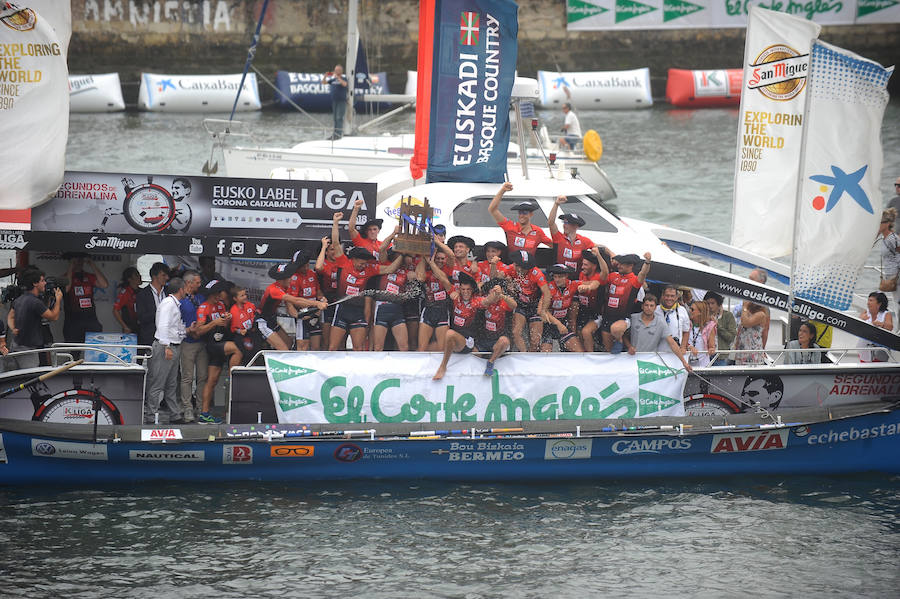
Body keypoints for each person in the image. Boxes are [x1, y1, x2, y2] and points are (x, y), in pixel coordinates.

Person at [328, 211, 402, 351]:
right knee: (333, 347)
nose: (363, 265)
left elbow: (390, 268)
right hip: (343, 307)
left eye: (375, 229)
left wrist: (402, 255)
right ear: (353, 259)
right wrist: (336, 223)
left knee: (359, 347)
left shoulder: (369, 268)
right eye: (361, 263)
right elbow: (336, 243)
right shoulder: (344, 262)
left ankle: (371, 350)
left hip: (361, 305)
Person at [433, 274, 512, 380]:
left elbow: (489, 300)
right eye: (463, 289)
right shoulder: (455, 297)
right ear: (459, 289)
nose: (465, 292)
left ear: (472, 290)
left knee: (449, 334)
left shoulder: (475, 301)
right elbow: (444, 280)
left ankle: (443, 367)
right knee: (436, 344)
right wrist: (431, 264)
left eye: (468, 290)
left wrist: (497, 292)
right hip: (457, 338)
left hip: (468, 340)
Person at [145, 277, 194, 424]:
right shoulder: (169, 304)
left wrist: (187, 330)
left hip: (173, 346)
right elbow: (163, 325)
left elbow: (172, 328)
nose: (186, 291)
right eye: (185, 288)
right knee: (158, 383)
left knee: (171, 384)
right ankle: (151, 416)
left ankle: (174, 414)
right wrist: (166, 346)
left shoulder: (173, 304)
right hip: (165, 347)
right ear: (181, 289)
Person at [194, 280, 241, 424]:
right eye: (216, 293)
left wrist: (226, 319)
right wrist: (214, 322)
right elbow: (199, 331)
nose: (218, 296)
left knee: (212, 381)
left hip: (221, 342)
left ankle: (204, 414)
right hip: (212, 345)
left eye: (219, 293)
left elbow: (224, 324)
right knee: (237, 348)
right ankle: (232, 378)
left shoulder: (221, 305)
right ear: (210, 294)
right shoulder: (203, 308)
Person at [261, 263, 328, 351]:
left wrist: (304, 314)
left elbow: (293, 310)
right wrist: (317, 304)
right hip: (262, 321)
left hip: (271, 320)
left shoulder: (284, 287)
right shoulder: (274, 289)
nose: (291, 279)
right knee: (284, 348)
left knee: (289, 344)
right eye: (289, 277)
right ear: (282, 279)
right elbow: (296, 300)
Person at [8, 268, 63, 369]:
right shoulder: (35, 302)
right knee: (29, 377)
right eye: (42, 280)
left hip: (15, 345)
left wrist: (13, 328)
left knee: (15, 375)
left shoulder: (19, 299)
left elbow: (10, 316)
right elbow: (54, 317)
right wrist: (58, 299)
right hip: (27, 349)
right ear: (35, 283)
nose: (45, 283)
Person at [623, 294, 692, 372]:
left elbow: (672, 343)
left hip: (650, 362)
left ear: (655, 307)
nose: (649, 308)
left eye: (651, 306)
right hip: (632, 359)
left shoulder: (661, 322)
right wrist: (629, 346)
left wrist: (684, 362)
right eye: (646, 305)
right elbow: (624, 335)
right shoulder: (633, 318)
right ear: (642, 306)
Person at [602, 253, 652, 353]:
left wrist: (647, 262)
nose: (619, 266)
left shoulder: (634, 279)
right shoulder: (613, 276)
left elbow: (643, 273)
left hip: (623, 318)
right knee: (609, 351)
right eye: (619, 263)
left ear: (630, 266)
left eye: (622, 264)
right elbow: (603, 275)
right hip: (607, 317)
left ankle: (619, 340)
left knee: (615, 329)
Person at [488, 182, 552, 259]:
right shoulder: (510, 226)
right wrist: (502, 190)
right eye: (520, 212)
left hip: (529, 265)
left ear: (531, 214)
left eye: (525, 213)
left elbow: (554, 245)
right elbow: (492, 210)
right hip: (512, 264)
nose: (522, 215)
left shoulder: (538, 231)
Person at [371, 247, 417, 352]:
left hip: (397, 308)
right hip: (382, 307)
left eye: (402, 254)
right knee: (378, 347)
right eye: (398, 254)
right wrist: (402, 254)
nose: (401, 256)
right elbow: (382, 249)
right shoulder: (385, 265)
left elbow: (416, 276)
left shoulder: (405, 270)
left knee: (404, 347)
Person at [508, 250, 551, 352]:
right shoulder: (511, 268)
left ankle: (531, 357)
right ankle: (524, 355)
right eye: (518, 266)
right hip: (520, 305)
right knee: (515, 333)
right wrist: (507, 281)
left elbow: (547, 293)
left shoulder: (537, 273)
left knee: (535, 341)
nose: (520, 270)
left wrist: (543, 310)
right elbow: (496, 277)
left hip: (534, 306)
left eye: (524, 268)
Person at [178, 269, 206, 423]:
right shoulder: (180, 300)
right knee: (187, 377)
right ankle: (187, 408)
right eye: (197, 282)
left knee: (202, 377)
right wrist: (189, 330)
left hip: (202, 342)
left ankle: (201, 408)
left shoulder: (201, 297)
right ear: (188, 283)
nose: (200, 285)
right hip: (187, 342)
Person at [62, 252, 108, 343]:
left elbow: (104, 284)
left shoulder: (88, 276)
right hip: (73, 319)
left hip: (90, 318)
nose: (79, 262)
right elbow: (66, 289)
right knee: (74, 348)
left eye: (81, 260)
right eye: (76, 260)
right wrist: (71, 266)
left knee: (94, 347)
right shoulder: (65, 277)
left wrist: (92, 264)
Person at [288, 251, 328, 351]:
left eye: (307, 265)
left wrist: (322, 299)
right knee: (303, 347)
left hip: (315, 314)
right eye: (303, 266)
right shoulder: (293, 278)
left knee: (316, 347)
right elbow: (295, 301)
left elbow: (318, 292)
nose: (306, 268)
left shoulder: (312, 274)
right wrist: (313, 307)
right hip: (303, 315)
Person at [542, 264, 585, 352]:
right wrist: (558, 324)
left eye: (560, 277)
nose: (557, 279)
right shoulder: (548, 288)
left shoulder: (572, 284)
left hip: (563, 323)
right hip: (548, 325)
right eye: (555, 277)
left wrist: (588, 287)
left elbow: (594, 282)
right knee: (545, 353)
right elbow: (542, 311)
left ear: (566, 276)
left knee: (579, 351)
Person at [416, 251, 452, 352]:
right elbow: (420, 277)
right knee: (422, 347)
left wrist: (431, 263)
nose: (440, 261)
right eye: (437, 258)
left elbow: (443, 279)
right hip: (428, 310)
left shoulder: (448, 270)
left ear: (446, 260)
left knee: (441, 348)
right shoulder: (428, 272)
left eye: (442, 259)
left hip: (443, 311)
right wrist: (424, 258)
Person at [548, 195, 595, 273]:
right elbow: (551, 222)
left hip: (577, 277)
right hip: (560, 276)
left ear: (575, 226)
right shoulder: (558, 237)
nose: (564, 225)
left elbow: (597, 247)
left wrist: (612, 254)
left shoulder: (584, 241)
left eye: (567, 223)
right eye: (564, 222)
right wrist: (556, 204)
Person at [575, 247, 609, 352]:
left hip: (598, 314)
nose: (582, 267)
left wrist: (588, 287)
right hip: (584, 312)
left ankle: (590, 356)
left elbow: (602, 275)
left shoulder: (599, 276)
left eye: (585, 265)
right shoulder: (582, 274)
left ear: (594, 266)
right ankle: (584, 353)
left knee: (586, 332)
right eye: (582, 264)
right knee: (578, 332)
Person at [136, 262, 170, 348]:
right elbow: (141, 317)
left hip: (168, 337)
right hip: (150, 338)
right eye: (163, 275)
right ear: (154, 276)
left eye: (167, 275)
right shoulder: (142, 294)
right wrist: (159, 312)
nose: (167, 278)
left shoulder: (169, 291)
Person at [858, 291, 893, 362]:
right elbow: (856, 326)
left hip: (880, 346)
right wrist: (861, 319)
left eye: (871, 300)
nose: (868, 303)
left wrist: (882, 324)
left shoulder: (886, 314)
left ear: (879, 304)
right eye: (868, 300)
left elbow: (890, 327)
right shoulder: (865, 312)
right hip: (864, 346)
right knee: (864, 364)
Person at [877, 207, 899, 311]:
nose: (878, 225)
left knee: (898, 302)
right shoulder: (884, 238)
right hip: (891, 276)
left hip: (897, 277)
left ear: (887, 224)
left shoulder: (892, 238)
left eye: (880, 223)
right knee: (896, 302)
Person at [704, 292, 736, 366]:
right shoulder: (703, 316)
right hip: (705, 355)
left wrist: (717, 325)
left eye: (712, 303)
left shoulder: (728, 316)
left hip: (721, 356)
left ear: (719, 304)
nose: (710, 306)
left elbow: (731, 337)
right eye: (708, 303)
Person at [655, 284, 690, 353]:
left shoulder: (682, 310)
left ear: (676, 297)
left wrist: (683, 347)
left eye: (672, 296)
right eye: (667, 295)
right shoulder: (655, 310)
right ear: (663, 296)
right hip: (658, 352)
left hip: (676, 353)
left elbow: (686, 331)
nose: (669, 298)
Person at [734, 301, 768, 365]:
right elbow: (740, 330)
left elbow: (746, 323)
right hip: (742, 349)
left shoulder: (761, 314)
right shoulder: (746, 313)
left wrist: (744, 307)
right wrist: (736, 346)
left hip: (753, 350)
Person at [686, 300, 717, 368]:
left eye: (692, 309)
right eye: (690, 309)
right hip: (687, 363)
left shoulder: (709, 326)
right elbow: (682, 341)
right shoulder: (687, 323)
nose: (690, 311)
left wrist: (711, 350)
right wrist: (690, 347)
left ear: (700, 312)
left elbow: (711, 346)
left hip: (703, 364)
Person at [322, 64, 349, 140]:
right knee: (335, 118)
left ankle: (338, 134)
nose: (336, 71)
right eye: (335, 70)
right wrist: (325, 76)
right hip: (334, 101)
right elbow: (324, 82)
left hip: (341, 101)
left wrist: (338, 77)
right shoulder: (333, 80)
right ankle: (334, 134)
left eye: (337, 70)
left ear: (341, 71)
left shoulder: (344, 78)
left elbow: (345, 84)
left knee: (339, 117)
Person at [112, 266, 141, 334]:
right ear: (129, 279)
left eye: (139, 274)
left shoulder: (142, 291)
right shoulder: (125, 292)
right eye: (136, 275)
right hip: (130, 327)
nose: (139, 277)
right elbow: (115, 310)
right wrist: (125, 327)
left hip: (141, 326)